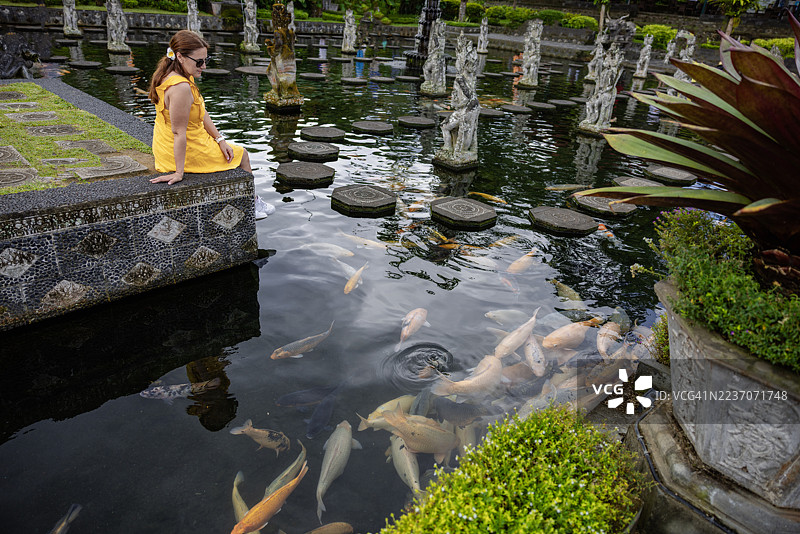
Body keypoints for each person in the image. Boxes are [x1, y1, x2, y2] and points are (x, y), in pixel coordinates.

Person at [147, 30, 273, 219]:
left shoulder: (175, 73)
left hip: (170, 143)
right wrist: (179, 173)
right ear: (180, 56)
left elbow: (200, 111)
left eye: (206, 60)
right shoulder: (180, 87)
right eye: (199, 62)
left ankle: (251, 200)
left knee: (230, 149)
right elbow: (179, 133)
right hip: (181, 149)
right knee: (242, 155)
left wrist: (220, 139)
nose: (204, 66)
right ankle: (251, 204)